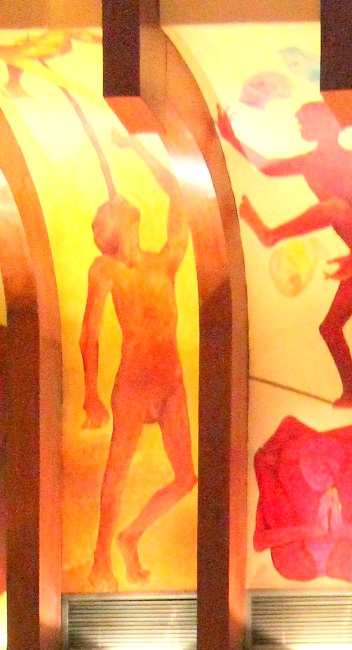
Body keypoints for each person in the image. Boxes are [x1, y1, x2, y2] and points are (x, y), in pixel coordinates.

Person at [218, 101, 352, 410]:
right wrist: (231, 138)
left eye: (306, 119)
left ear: (329, 124)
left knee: (336, 208)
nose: (300, 124)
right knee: (329, 328)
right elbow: (265, 166)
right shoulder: (307, 163)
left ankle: (271, 235)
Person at [79, 134, 195, 589]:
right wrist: (90, 394)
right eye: (115, 205)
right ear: (111, 227)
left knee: (186, 478)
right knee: (118, 473)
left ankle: (131, 536)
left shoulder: (164, 263)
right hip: (133, 385)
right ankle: (100, 559)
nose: (123, 201)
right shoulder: (105, 270)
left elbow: (179, 194)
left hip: (171, 384)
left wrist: (139, 146)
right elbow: (89, 333)